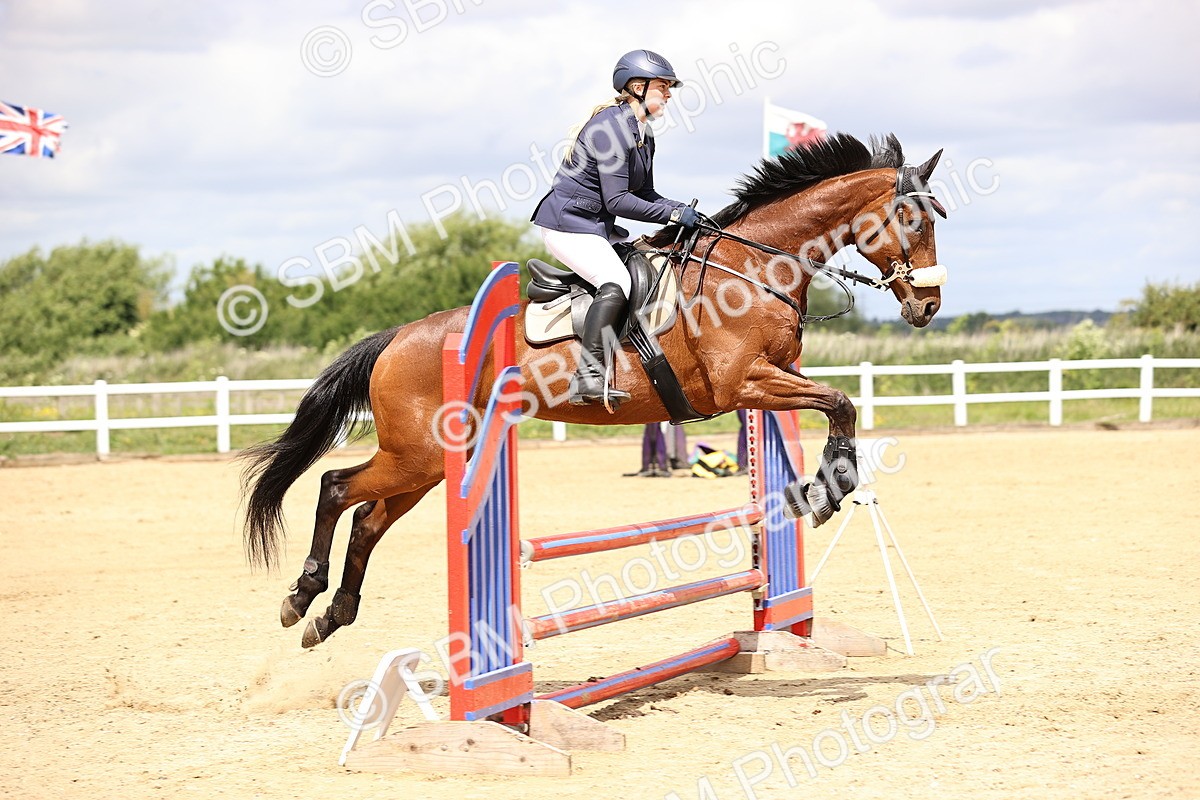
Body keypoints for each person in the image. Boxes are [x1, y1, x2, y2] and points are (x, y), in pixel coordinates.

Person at [531, 49, 702, 407]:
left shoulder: (643, 134)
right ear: (637, 87)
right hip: (568, 225)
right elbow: (618, 202)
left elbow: (645, 194)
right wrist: (672, 216)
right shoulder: (610, 130)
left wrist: (681, 209)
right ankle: (587, 377)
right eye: (663, 87)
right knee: (617, 281)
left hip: (594, 226)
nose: (668, 95)